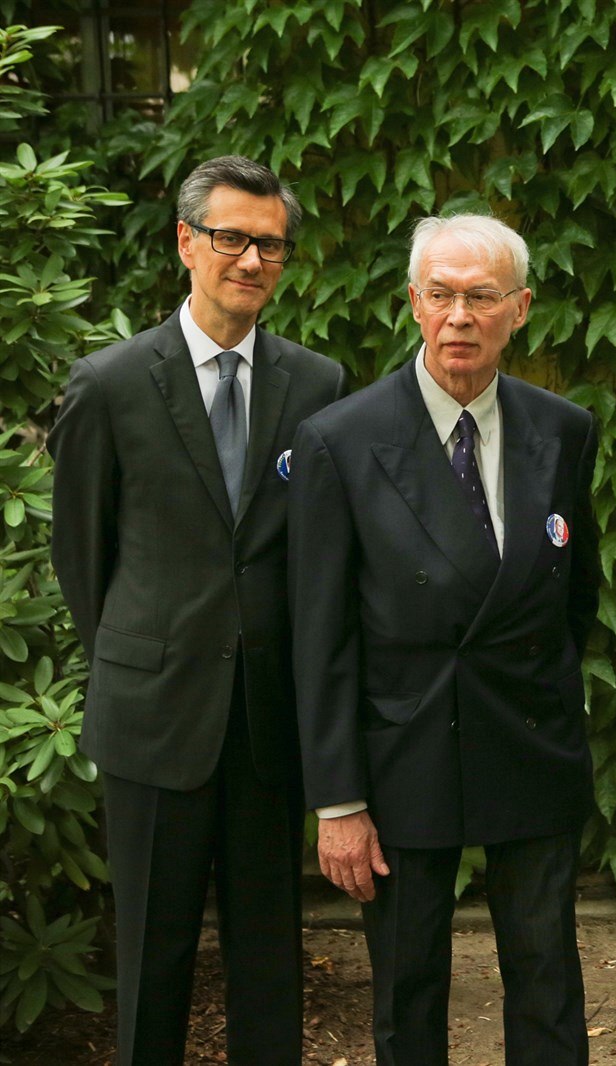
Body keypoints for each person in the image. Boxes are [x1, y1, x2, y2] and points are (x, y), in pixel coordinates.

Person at [50, 155, 347, 1065]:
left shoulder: (319, 386)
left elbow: (319, 559)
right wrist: (147, 658)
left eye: (271, 245)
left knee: (270, 962)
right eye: (231, 239)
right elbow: (83, 557)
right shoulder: (109, 384)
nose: (251, 260)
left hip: (266, 726)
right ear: (186, 242)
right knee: (152, 958)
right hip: (151, 718)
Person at [289, 213, 599, 1066]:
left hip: (528, 738)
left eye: (482, 296)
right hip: (403, 751)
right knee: (408, 987)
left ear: (520, 309)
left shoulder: (564, 429)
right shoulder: (340, 440)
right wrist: (339, 802)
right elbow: (321, 636)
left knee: (547, 980)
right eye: (441, 295)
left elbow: (575, 598)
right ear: (413, 303)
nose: (460, 316)